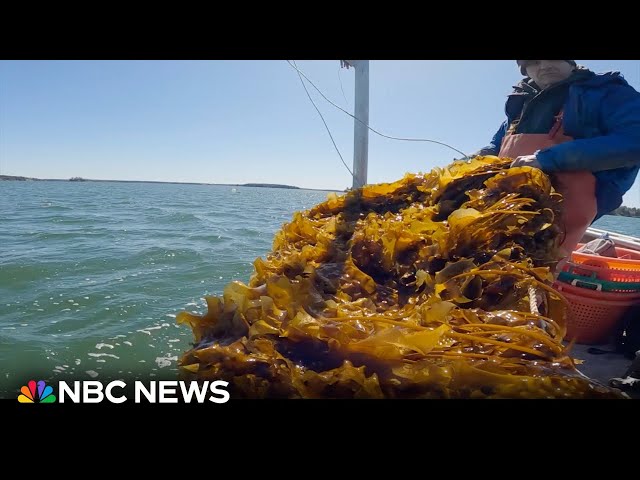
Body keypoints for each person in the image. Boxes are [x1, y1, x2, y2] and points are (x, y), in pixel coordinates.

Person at [475, 60, 640, 263]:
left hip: (560, 219)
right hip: (501, 211)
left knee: (532, 276)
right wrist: (481, 156)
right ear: (524, 68)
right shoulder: (522, 100)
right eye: (533, 62)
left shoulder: (605, 92)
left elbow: (634, 141)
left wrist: (548, 159)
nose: (544, 66)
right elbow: (498, 143)